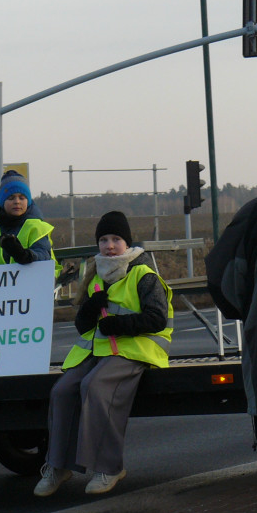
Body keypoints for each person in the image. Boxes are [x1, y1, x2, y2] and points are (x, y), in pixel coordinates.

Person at [34, 211, 173, 497]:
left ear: (127, 243)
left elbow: (157, 318)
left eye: (116, 239)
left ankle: (109, 467)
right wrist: (89, 308)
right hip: (101, 350)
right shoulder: (96, 274)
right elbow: (82, 325)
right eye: (104, 240)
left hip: (137, 348)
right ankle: (58, 465)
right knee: (62, 391)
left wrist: (122, 325)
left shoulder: (143, 274)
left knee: (95, 386)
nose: (109, 246)